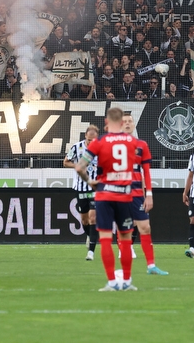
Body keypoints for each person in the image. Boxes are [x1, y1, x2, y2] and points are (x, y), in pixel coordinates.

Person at [75, 106, 139, 292]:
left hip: (104, 194)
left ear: (106, 123)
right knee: (125, 239)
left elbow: (80, 167)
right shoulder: (132, 142)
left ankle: (111, 281)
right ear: (122, 123)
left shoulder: (98, 142)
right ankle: (127, 281)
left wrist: (90, 181)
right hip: (124, 194)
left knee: (104, 238)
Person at [121, 113, 167, 275]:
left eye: (130, 121)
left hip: (136, 193)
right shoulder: (112, 144)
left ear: (134, 124)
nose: (127, 124)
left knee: (145, 227)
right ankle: (124, 267)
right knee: (124, 229)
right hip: (118, 193)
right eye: (124, 121)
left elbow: (146, 172)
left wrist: (149, 195)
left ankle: (151, 266)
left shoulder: (141, 145)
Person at [64, 124, 99, 261]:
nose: (91, 142)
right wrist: (76, 165)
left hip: (95, 188)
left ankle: (91, 252)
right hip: (80, 188)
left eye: (94, 140)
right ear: (85, 136)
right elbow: (66, 162)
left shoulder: (101, 149)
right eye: (89, 140)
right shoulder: (76, 147)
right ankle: (89, 235)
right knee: (84, 220)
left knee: (93, 217)